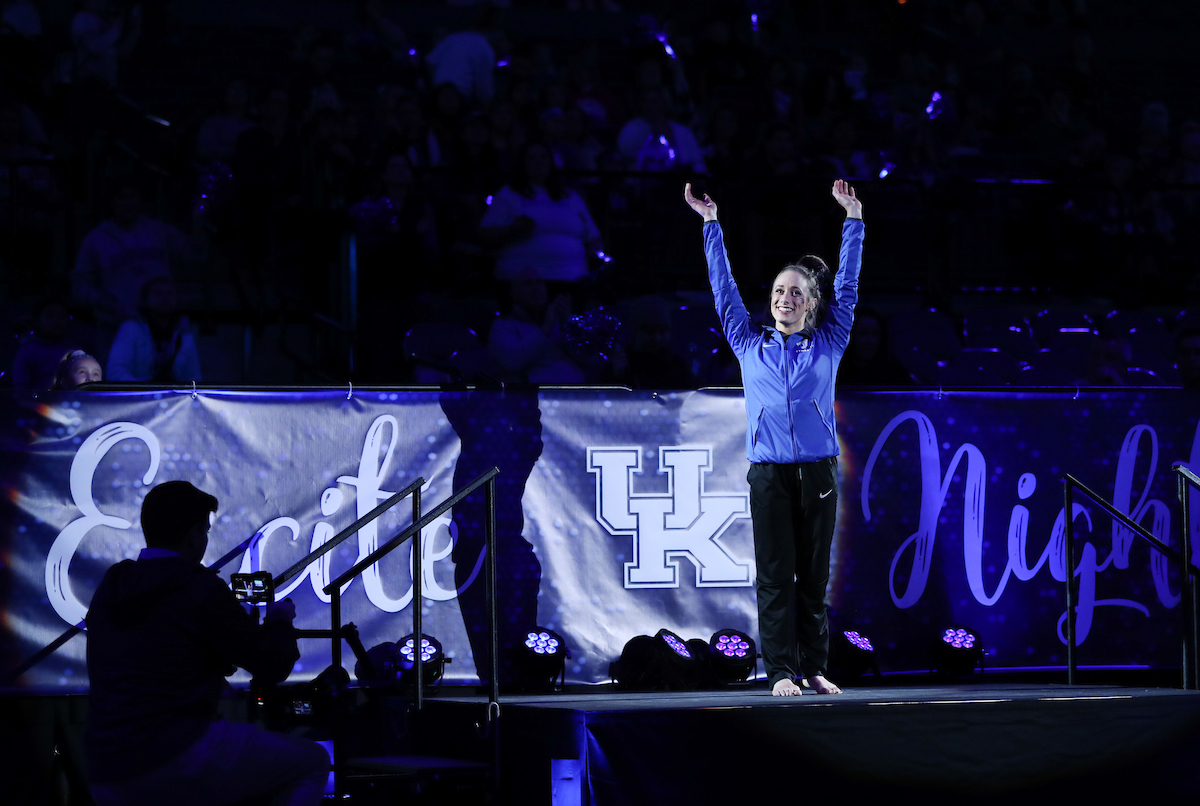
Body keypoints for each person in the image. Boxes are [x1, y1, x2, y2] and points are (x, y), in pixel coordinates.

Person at [684, 179, 864, 696]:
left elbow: (847, 285)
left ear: (811, 304)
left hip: (819, 471)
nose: (785, 298)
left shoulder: (829, 341)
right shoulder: (747, 342)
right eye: (779, 292)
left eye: (797, 293)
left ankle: (813, 666)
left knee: (813, 577)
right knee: (775, 576)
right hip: (768, 474)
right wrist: (711, 224)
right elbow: (723, 289)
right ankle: (781, 670)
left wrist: (853, 219)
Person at [85, 481, 329, 806]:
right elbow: (273, 664)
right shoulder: (198, 588)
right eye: (205, 530)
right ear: (193, 534)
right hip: (175, 751)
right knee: (311, 762)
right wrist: (279, 619)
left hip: (105, 766)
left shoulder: (112, 585)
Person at [106, 276, 202, 383]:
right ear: (145, 299)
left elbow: (193, 377)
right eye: (158, 294)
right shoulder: (131, 328)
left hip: (176, 398)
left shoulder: (184, 334)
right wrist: (143, 388)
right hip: (137, 397)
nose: (165, 298)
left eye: (170, 294)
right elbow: (116, 371)